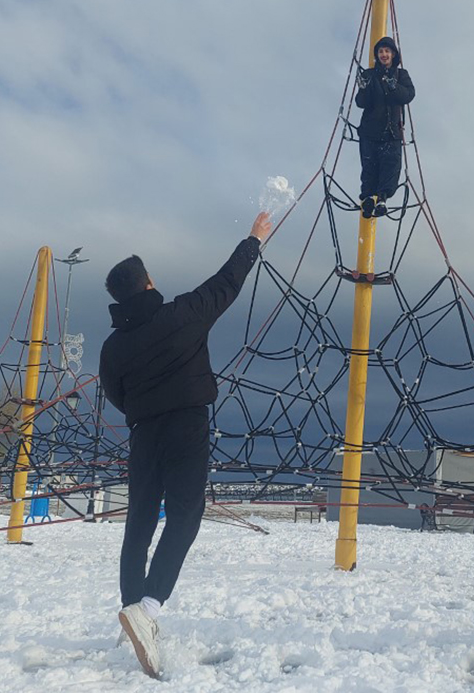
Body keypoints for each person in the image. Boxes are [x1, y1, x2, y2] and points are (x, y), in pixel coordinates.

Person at [98, 211, 273, 678]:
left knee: (139, 521)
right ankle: (147, 609)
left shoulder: (112, 347)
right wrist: (254, 239)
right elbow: (227, 282)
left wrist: (143, 408)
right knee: (185, 515)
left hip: (143, 433)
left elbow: (115, 394)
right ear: (148, 282)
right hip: (187, 427)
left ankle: (132, 609)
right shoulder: (181, 315)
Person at [355, 35, 415, 219]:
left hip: (392, 132)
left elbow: (408, 95)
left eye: (387, 51)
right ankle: (367, 199)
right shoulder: (369, 74)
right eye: (380, 51)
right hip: (371, 131)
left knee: (390, 166)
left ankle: (381, 198)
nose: (384, 54)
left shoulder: (400, 75)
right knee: (369, 167)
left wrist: (393, 85)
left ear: (393, 54)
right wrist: (364, 88)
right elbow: (361, 102)